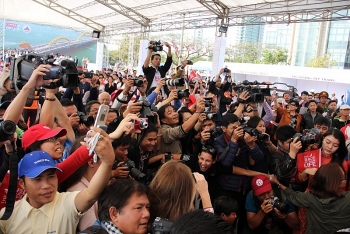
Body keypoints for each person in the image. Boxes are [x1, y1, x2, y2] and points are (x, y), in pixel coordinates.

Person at [0, 128, 114, 233]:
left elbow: (91, 194)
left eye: (51, 176)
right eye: (37, 179)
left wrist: (107, 162)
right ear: (22, 183)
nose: (46, 185)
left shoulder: (67, 203)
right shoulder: (6, 216)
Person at [270, 163, 350, 234]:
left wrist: (278, 183)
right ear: (334, 182)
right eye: (344, 177)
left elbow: (292, 195)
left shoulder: (310, 198)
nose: (346, 178)